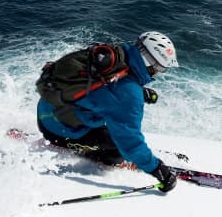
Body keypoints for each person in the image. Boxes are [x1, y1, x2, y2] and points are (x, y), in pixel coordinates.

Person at [36, 31, 179, 192]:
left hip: (47, 109)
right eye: (160, 68)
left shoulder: (112, 57)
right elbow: (130, 144)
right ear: (150, 63)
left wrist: (139, 91)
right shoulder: (129, 96)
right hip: (59, 131)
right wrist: (160, 171)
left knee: (112, 123)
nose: (159, 73)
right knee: (118, 149)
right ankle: (83, 151)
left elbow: (101, 88)